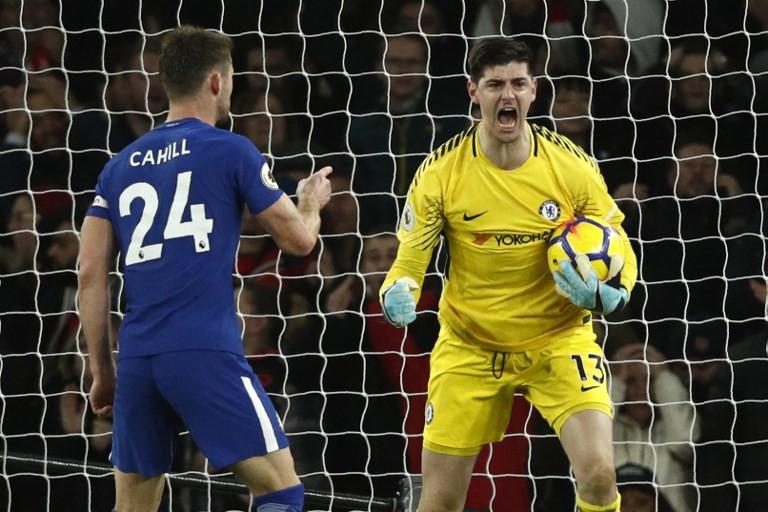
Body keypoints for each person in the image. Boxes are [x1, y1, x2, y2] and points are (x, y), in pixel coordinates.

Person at [77, 26, 332, 512]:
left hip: (137, 356)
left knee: (133, 507)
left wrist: (102, 372)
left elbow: (90, 271)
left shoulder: (118, 167)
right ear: (217, 81)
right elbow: (299, 241)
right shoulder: (230, 148)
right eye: (233, 79)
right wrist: (311, 202)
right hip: (201, 348)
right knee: (281, 491)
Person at [379, 37, 638, 512]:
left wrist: (615, 293)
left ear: (534, 91)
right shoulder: (441, 172)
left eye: (518, 83)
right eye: (495, 84)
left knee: (600, 475)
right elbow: (410, 259)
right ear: (473, 91)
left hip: (558, 339)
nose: (508, 95)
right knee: (439, 500)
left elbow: (614, 239)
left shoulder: (570, 165)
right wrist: (399, 288)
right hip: (470, 342)